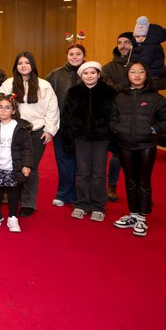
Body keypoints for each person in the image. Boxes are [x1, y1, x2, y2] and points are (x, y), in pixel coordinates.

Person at [110, 61, 166, 237]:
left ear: (146, 75)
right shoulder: (120, 97)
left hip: (146, 145)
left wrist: (153, 129)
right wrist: (118, 129)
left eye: (141, 72)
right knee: (130, 181)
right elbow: (112, 118)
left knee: (143, 181)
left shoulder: (156, 98)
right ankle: (132, 215)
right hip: (125, 145)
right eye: (133, 72)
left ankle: (142, 218)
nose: (137, 75)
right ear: (128, 75)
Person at [0, 52, 59, 217]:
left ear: (32, 65)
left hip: (36, 132)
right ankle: (15, 198)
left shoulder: (44, 85)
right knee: (15, 165)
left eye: (27, 63)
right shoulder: (8, 84)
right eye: (20, 63)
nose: (23, 66)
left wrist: (49, 130)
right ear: (16, 66)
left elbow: (52, 109)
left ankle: (28, 203)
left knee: (30, 167)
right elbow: (1, 105)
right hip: (14, 131)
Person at [62, 61, 116, 222]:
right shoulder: (74, 92)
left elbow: (115, 115)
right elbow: (67, 116)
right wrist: (68, 137)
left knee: (99, 172)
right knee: (82, 171)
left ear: (99, 75)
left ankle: (98, 206)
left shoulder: (109, 92)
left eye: (93, 73)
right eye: (86, 73)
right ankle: (82, 203)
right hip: (81, 137)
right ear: (81, 76)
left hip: (102, 138)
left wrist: (113, 136)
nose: (89, 76)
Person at [0, 94, 33, 233]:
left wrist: (26, 165)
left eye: (7, 108)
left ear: (14, 110)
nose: (3, 110)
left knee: (13, 193)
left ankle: (12, 217)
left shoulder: (21, 127)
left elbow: (27, 149)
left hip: (13, 167)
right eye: (0, 107)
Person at [46, 42, 86, 207]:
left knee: (83, 163)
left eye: (78, 54)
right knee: (64, 161)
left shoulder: (90, 73)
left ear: (84, 56)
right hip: (62, 126)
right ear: (67, 56)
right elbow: (46, 100)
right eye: (71, 54)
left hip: (84, 127)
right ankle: (63, 193)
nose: (75, 57)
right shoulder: (55, 75)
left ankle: (81, 195)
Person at [101, 32, 136, 202]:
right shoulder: (108, 68)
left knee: (138, 155)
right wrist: (128, 85)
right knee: (117, 154)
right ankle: (112, 186)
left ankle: (139, 189)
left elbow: (165, 81)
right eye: (120, 42)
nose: (123, 46)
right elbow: (107, 89)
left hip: (139, 115)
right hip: (117, 115)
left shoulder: (142, 64)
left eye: (127, 42)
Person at [132, 16, 166, 90]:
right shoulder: (140, 45)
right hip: (154, 72)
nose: (140, 38)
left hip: (153, 73)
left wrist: (136, 68)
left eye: (143, 36)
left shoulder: (150, 46)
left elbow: (145, 61)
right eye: (137, 36)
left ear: (148, 36)